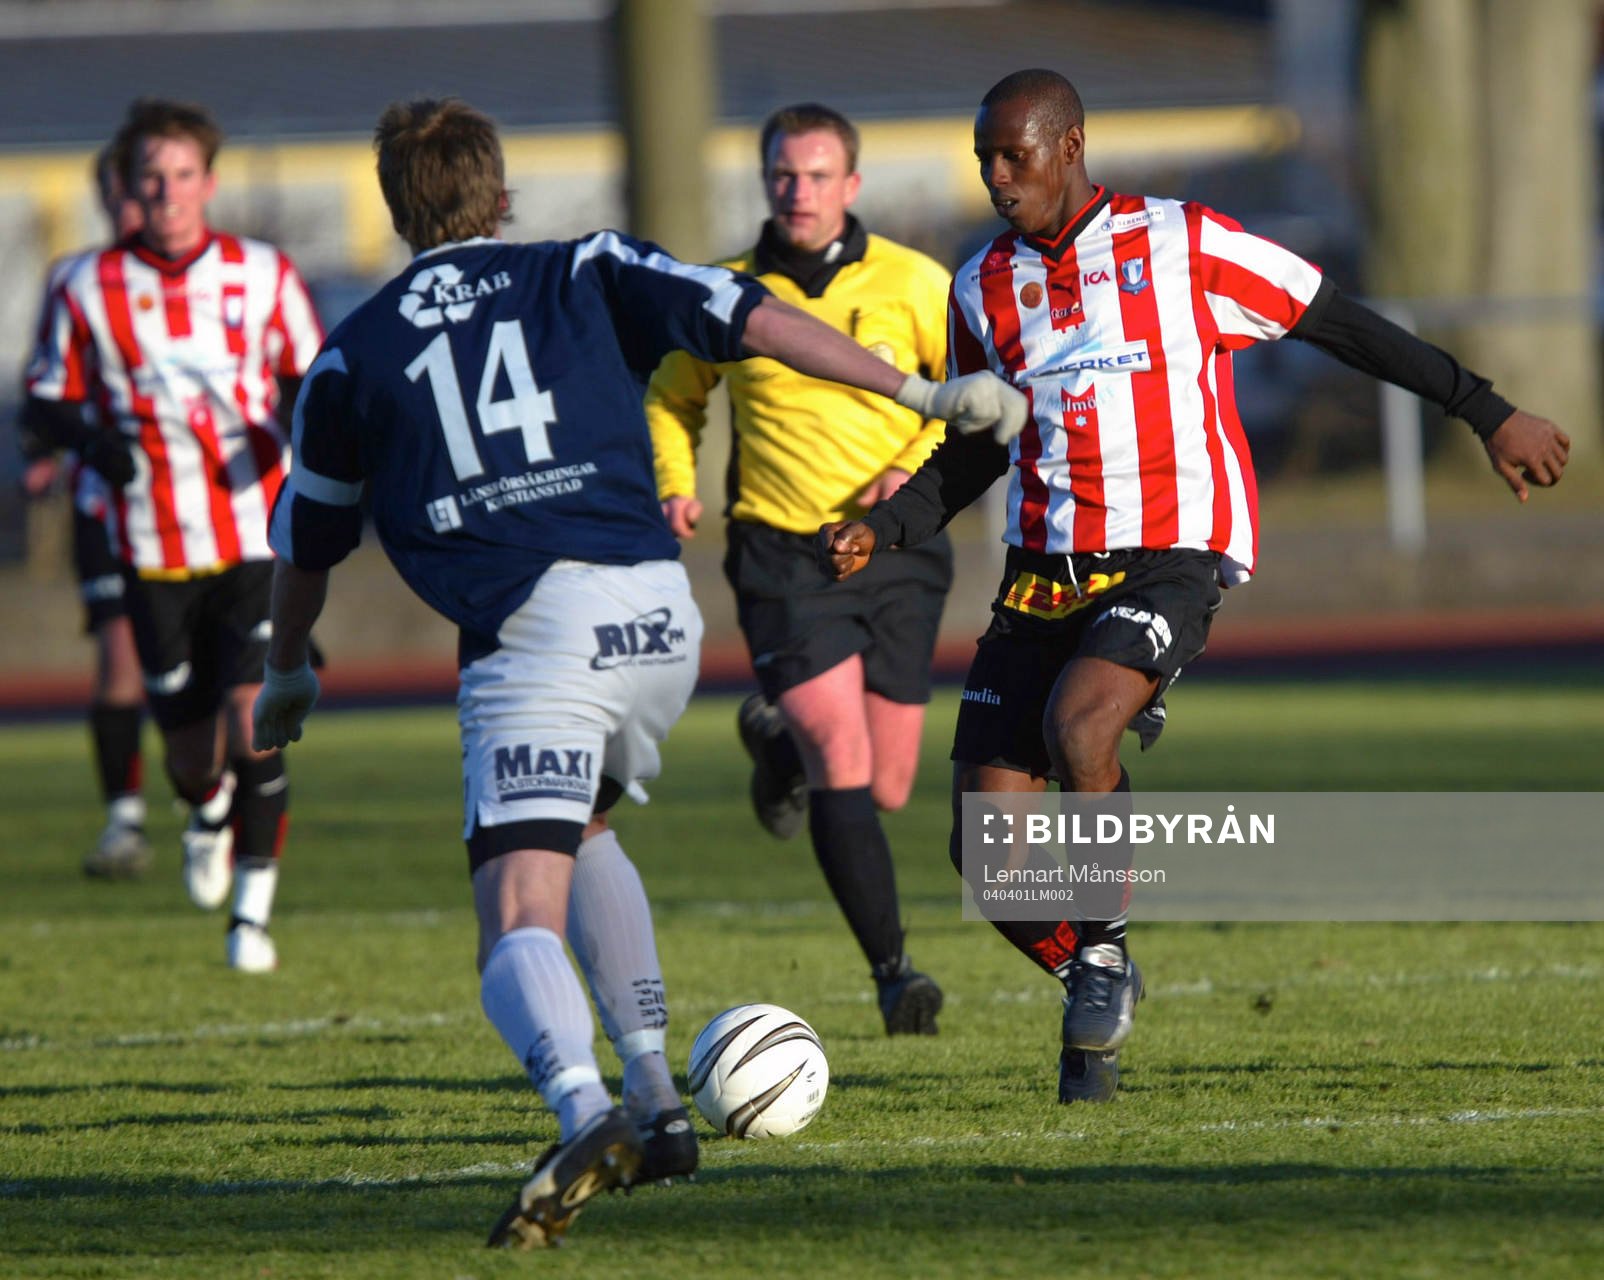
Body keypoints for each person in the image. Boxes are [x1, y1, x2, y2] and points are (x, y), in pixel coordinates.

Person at [249, 98, 1022, 1249]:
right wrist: (914, 393)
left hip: (533, 629)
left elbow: (307, 535)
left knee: (515, 903)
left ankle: (581, 1109)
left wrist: (286, 673)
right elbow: (748, 317)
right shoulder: (587, 264)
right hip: (658, 612)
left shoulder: (352, 350)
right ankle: (659, 1101)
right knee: (591, 826)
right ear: (498, 194)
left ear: (396, 211)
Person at [822, 69, 1570, 1106]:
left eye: (1015, 156)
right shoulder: (979, 284)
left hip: (1172, 552)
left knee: (1082, 728)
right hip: (1043, 574)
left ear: (1070, 144)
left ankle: (1098, 962)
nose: (995, 177)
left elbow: (1335, 321)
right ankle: (1101, 969)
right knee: (991, 866)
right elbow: (975, 446)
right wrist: (887, 525)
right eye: (984, 158)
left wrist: (1484, 411)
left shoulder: (1180, 243)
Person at [646, 103, 952, 1036]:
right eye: (784, 173)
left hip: (897, 550)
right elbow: (671, 395)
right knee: (843, 760)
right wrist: (673, 483)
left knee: (891, 784)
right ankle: (896, 977)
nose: (799, 190)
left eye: (818, 175)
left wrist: (919, 464)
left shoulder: (916, 282)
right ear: (764, 180)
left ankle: (775, 746)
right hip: (783, 553)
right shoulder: (727, 293)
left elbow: (972, 401)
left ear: (851, 186)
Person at [24, 98, 324, 971]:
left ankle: (252, 919)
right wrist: (94, 442)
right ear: (129, 186)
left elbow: (312, 377)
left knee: (254, 714)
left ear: (208, 182)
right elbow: (44, 398)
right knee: (194, 753)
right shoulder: (84, 285)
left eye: (182, 175)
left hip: (255, 534)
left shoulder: (263, 272)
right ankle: (204, 809)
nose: (167, 192)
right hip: (151, 546)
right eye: (151, 178)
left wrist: (315, 456)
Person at [17, 136, 152, 879]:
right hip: (108, 506)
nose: (138, 203)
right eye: (126, 189)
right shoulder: (75, 280)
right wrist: (47, 450)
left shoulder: (220, 277)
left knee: (210, 673)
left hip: (206, 516)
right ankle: (124, 822)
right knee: (119, 656)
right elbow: (43, 394)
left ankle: (218, 808)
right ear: (106, 195)